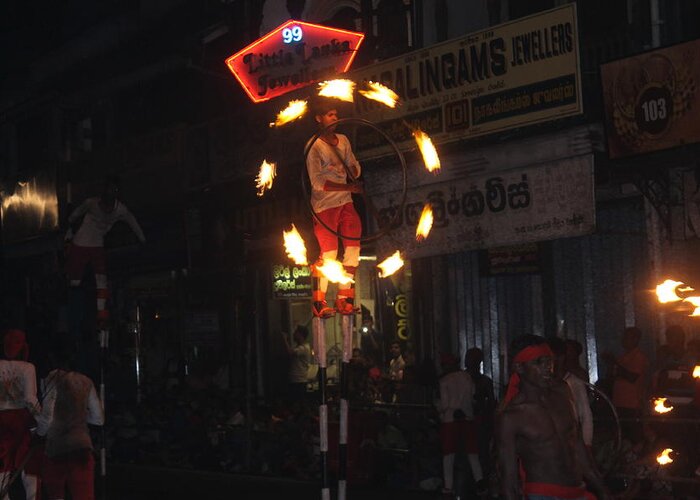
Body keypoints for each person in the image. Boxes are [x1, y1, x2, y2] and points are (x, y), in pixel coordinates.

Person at [497, 334, 609, 500]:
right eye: (538, 362)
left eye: (549, 361)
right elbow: (509, 479)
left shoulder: (563, 392)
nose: (547, 368)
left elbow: (578, 446)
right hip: (543, 493)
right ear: (519, 368)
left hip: (578, 489)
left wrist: (603, 490)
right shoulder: (512, 417)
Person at [306, 97, 363, 318]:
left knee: (353, 251)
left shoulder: (344, 140)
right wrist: (348, 185)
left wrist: (354, 174)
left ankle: (345, 299)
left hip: (346, 202)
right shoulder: (314, 146)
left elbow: (354, 166)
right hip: (324, 207)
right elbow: (317, 183)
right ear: (319, 119)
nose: (335, 119)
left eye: (336, 115)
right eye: (330, 115)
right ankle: (319, 303)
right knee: (329, 256)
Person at [65, 176, 146, 327]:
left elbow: (132, 221)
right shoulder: (92, 203)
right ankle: (75, 312)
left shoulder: (120, 210)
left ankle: (101, 313)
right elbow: (75, 214)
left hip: (97, 245)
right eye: (109, 189)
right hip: (80, 243)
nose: (111, 193)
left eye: (114, 190)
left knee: (101, 279)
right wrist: (68, 230)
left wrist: (142, 239)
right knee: (75, 280)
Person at [35, 342, 105, 500]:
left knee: (56, 495)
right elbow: (99, 419)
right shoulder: (86, 381)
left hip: (56, 450)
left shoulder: (51, 379)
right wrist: (79, 415)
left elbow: (47, 417)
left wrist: (38, 435)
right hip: (81, 448)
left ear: (53, 357)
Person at [436, 353, 483, 498]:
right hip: (468, 418)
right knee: (472, 453)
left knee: (448, 455)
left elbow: (444, 404)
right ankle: (480, 482)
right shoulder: (467, 377)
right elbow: (474, 397)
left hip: (450, 420)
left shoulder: (444, 381)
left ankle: (448, 487)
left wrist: (437, 408)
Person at [0, 329, 41, 500]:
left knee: (2, 464)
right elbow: (30, 399)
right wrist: (42, 420)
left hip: (1, 418)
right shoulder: (27, 368)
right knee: (27, 464)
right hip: (20, 419)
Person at [548, 337, 593, 449]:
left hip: (570, 442)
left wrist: (587, 445)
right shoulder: (541, 383)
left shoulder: (575, 382)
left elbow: (585, 415)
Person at [604, 326, 648, 442]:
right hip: (619, 404)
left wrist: (614, 363)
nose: (623, 340)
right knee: (622, 437)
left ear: (635, 339)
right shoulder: (622, 358)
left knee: (634, 437)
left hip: (633, 405)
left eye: (627, 337)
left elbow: (632, 377)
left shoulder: (639, 357)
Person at [465, 347, 496, 477]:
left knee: (481, 454)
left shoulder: (485, 381)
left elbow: (491, 403)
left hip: (480, 422)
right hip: (465, 422)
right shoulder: (462, 379)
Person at [280, 326, 311, 401]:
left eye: (296, 332)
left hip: (298, 381)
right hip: (296, 380)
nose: (294, 334)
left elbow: (290, 352)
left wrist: (284, 339)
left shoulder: (304, 348)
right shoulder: (299, 347)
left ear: (301, 335)